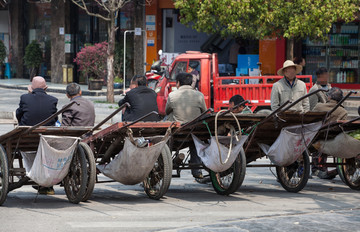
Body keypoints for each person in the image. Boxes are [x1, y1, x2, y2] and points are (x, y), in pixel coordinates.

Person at [16, 76, 58, 195]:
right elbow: (55, 119)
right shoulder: (53, 100)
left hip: (26, 138)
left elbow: (19, 115)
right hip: (46, 139)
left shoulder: (25, 98)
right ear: (45, 88)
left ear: (31, 89)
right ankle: (45, 183)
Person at [165, 72, 207, 180]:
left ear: (178, 83)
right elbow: (204, 112)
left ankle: (166, 164)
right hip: (195, 132)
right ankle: (197, 170)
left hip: (177, 132)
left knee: (168, 119)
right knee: (194, 139)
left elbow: (167, 111)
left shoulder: (172, 95)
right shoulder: (199, 95)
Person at [312, 87, 348, 179]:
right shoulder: (343, 111)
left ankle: (316, 168)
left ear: (329, 98)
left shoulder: (319, 106)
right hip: (335, 139)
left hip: (319, 138)